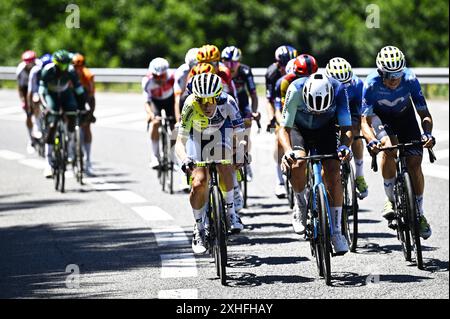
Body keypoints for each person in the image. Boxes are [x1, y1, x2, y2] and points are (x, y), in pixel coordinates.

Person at [361, 46, 434, 239]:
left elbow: (424, 114)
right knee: (388, 147)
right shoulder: (371, 84)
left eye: (398, 74)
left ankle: (419, 213)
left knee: (415, 163)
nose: (394, 80)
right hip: (381, 118)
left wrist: (427, 134)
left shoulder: (410, 80)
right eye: (389, 75)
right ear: (380, 72)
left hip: (405, 117)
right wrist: (371, 141)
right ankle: (390, 199)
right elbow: (364, 122)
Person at [279, 72, 353, 255]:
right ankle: (300, 205)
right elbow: (284, 129)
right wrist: (288, 151)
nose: (316, 112)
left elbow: (347, 128)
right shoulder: (295, 89)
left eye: (321, 109)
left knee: (334, 172)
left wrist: (344, 146)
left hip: (326, 130)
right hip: (299, 129)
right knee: (297, 164)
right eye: (312, 109)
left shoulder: (339, 89)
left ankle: (336, 231)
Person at [175, 73, 246, 254]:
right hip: (196, 137)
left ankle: (231, 212)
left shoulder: (227, 102)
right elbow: (180, 141)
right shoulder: (190, 104)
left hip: (220, 134)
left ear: (218, 96)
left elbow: (240, 133)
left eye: (211, 99)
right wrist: (185, 160)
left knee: (225, 159)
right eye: (202, 100)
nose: (207, 105)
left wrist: (240, 152)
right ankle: (198, 227)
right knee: (199, 181)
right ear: (195, 98)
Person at [326, 57, 368, 199]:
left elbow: (360, 115)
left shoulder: (357, 85)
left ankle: (360, 175)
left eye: (346, 83)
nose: (342, 88)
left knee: (355, 133)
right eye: (339, 84)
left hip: (350, 112)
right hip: (331, 113)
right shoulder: (323, 84)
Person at [39, 49, 85, 178]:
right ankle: (48, 163)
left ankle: (70, 148)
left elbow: (79, 90)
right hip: (51, 94)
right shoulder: (47, 70)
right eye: (61, 66)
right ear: (55, 64)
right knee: (53, 124)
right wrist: (45, 106)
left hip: (65, 93)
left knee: (72, 113)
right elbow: (41, 91)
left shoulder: (70, 71)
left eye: (66, 65)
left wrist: (83, 105)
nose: (64, 68)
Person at [221, 45, 260, 182]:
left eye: (234, 62)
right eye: (226, 61)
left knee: (245, 132)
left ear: (239, 62)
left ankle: (245, 158)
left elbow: (253, 95)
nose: (230, 66)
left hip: (242, 103)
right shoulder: (220, 71)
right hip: (226, 104)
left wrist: (254, 111)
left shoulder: (245, 71)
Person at [265, 45, 298, 198]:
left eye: (288, 63)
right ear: (278, 63)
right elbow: (270, 100)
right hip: (278, 109)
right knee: (278, 137)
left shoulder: (299, 72)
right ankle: (279, 181)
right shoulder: (272, 74)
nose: (285, 68)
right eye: (282, 64)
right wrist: (274, 120)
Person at [142, 57, 176, 169]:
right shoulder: (147, 81)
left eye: (162, 76)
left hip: (171, 101)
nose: (159, 79)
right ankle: (154, 156)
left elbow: (178, 97)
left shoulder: (173, 77)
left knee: (176, 127)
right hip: (156, 102)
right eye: (156, 76)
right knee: (155, 123)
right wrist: (150, 114)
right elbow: (147, 102)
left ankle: (172, 156)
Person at [72, 53, 96, 176]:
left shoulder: (88, 75)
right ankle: (70, 152)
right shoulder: (69, 75)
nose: (78, 69)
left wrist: (90, 113)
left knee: (86, 127)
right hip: (72, 98)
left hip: (85, 98)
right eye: (75, 66)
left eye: (80, 66)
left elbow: (91, 96)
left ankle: (88, 160)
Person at [17, 50, 39, 153]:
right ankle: (31, 139)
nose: (29, 65)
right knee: (28, 115)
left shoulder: (39, 66)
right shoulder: (21, 70)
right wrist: (23, 100)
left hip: (37, 89)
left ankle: (39, 126)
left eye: (31, 62)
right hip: (26, 91)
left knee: (37, 103)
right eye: (27, 62)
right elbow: (20, 87)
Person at [174, 48, 198, 123]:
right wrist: (178, 119)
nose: (194, 68)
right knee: (184, 97)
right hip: (188, 95)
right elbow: (177, 98)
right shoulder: (181, 72)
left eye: (197, 64)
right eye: (191, 65)